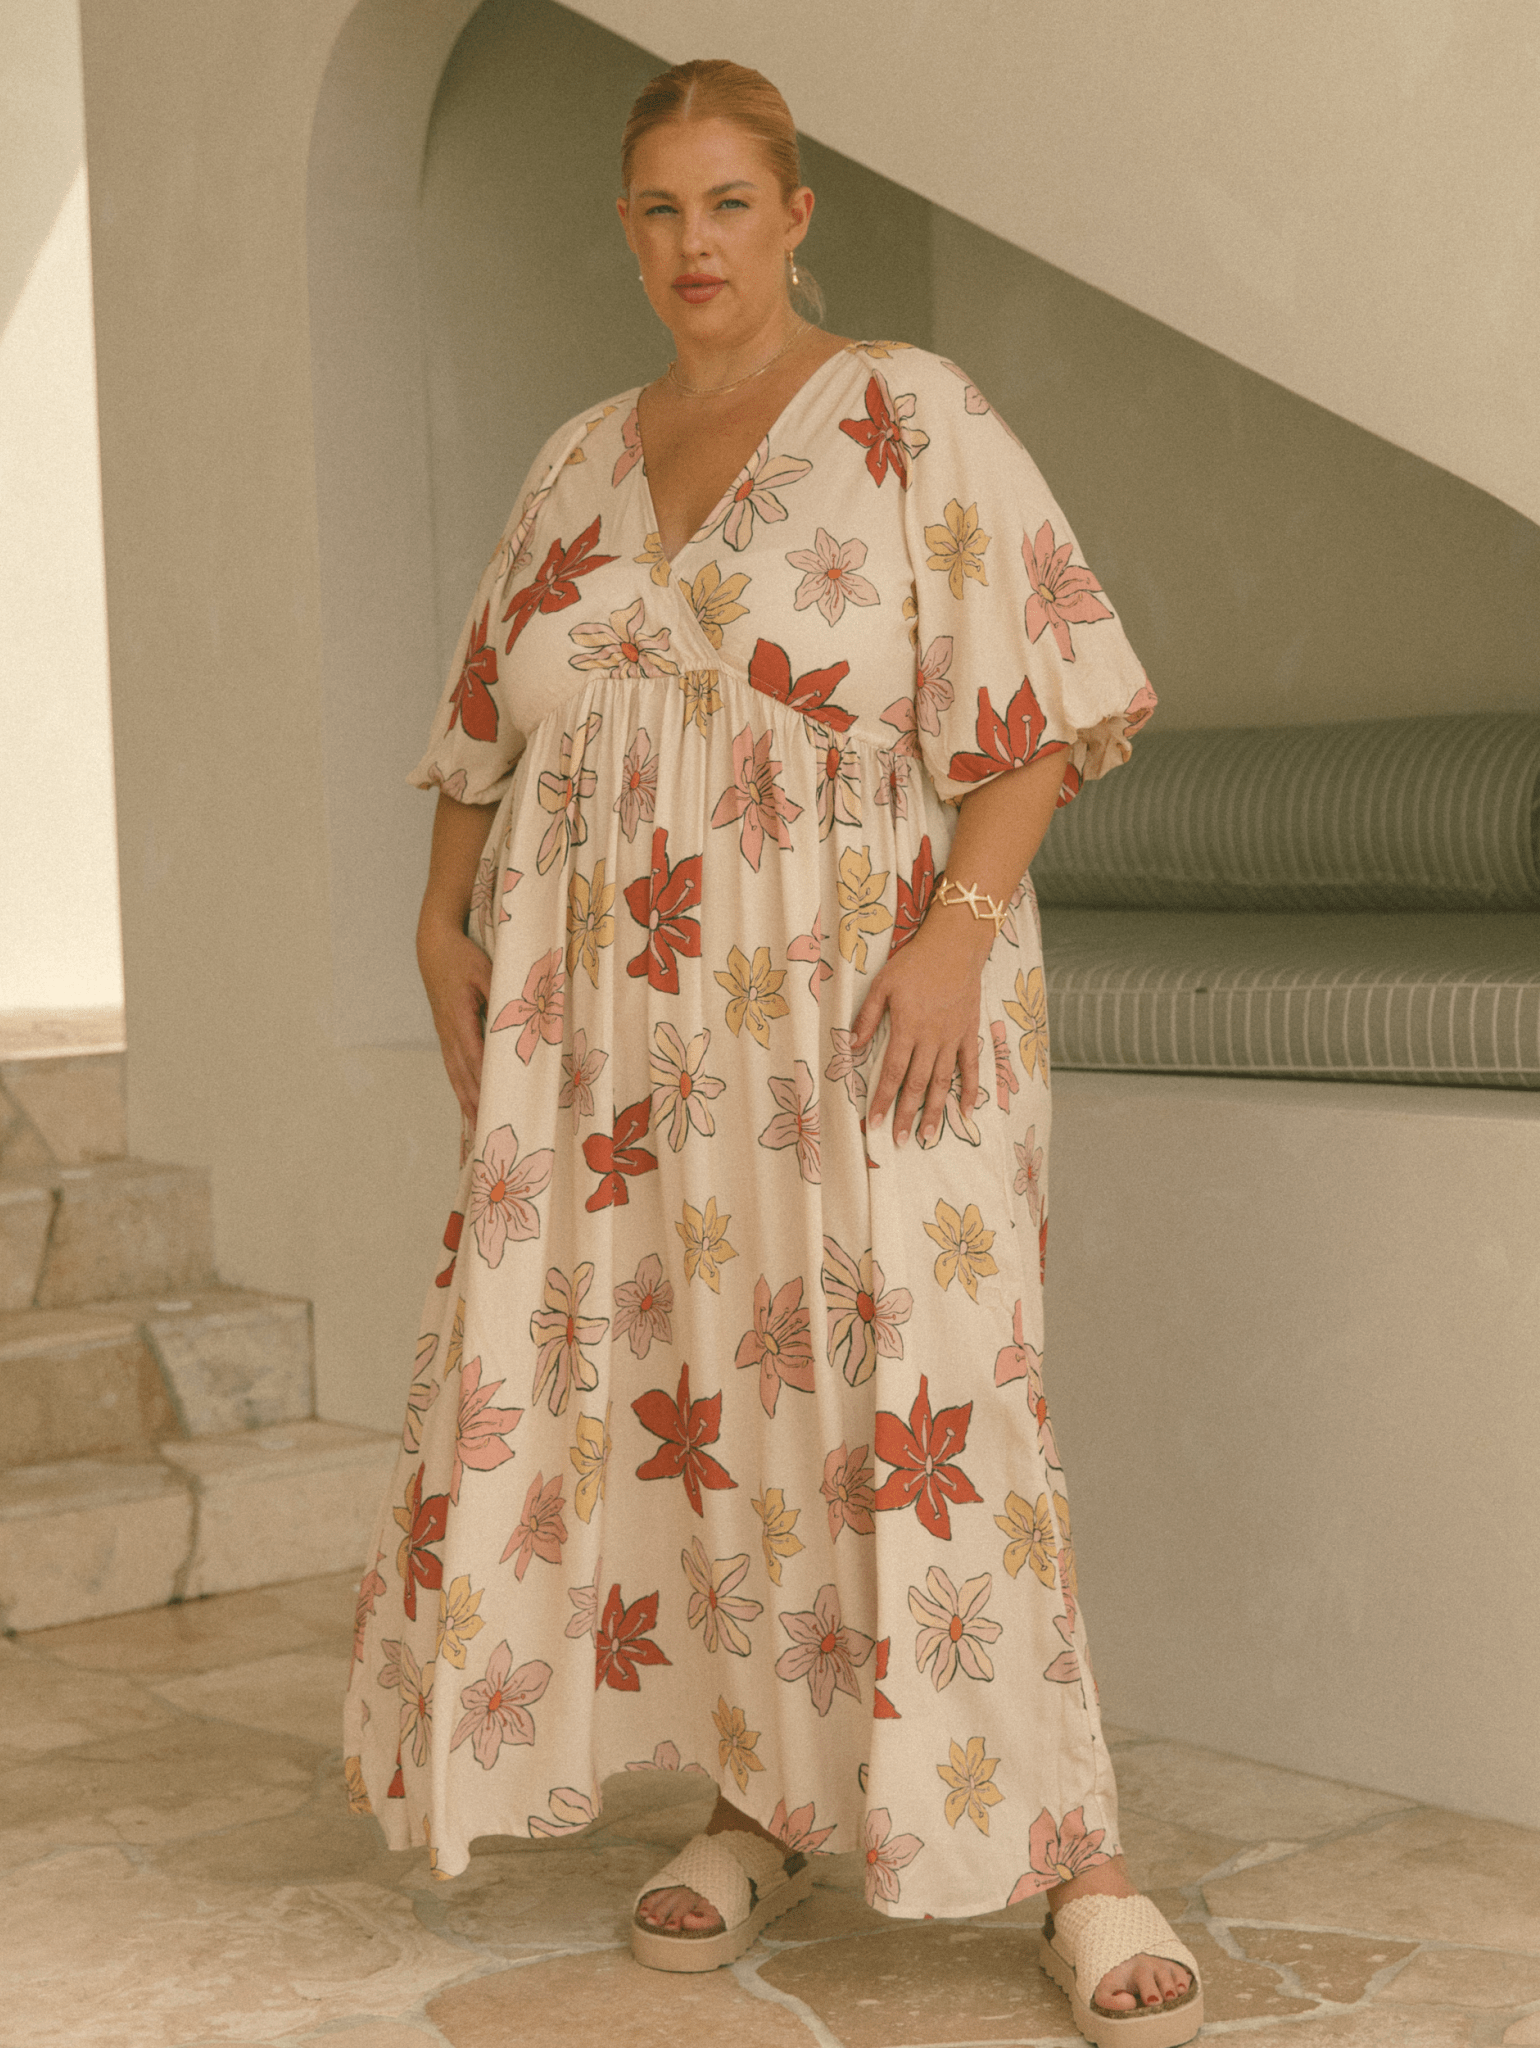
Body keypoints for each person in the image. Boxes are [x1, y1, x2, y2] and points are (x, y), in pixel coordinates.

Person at [345, 55, 1201, 2047]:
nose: (695, 244)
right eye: (660, 208)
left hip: (870, 1004)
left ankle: (1075, 1857)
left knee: (931, 1398)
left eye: (729, 202)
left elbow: (1035, 709)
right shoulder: (578, 456)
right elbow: (483, 720)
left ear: (796, 215)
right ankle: (760, 1804)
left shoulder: (910, 415)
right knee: (705, 1399)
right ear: (625, 230)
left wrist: (953, 939)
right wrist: (436, 912)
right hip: (619, 1039)